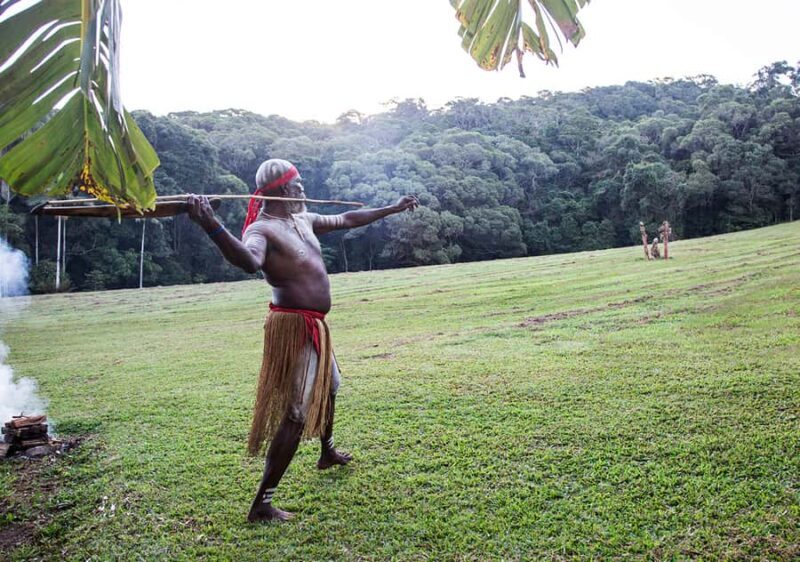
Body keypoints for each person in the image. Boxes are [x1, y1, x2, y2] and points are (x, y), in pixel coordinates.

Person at [186, 158, 419, 522]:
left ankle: (326, 451)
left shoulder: (302, 219)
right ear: (281, 190)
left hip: (316, 325)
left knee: (330, 387)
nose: (304, 191)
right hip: (293, 329)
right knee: (295, 414)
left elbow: (348, 220)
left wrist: (393, 208)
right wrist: (211, 224)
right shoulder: (262, 230)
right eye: (298, 186)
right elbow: (249, 262)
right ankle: (262, 503)